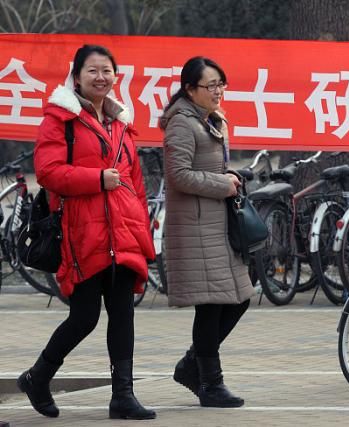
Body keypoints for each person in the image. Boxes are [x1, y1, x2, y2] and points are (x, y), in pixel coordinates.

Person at [17, 44, 156, 420]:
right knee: (85, 317)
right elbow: (47, 171)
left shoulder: (121, 123)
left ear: (116, 76)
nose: (101, 77)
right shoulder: (60, 119)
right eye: (92, 71)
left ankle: (122, 396)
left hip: (123, 231)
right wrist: (96, 179)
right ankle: (38, 376)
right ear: (76, 77)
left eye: (107, 70)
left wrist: (142, 226)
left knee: (123, 312)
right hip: (82, 232)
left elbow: (135, 183)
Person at [160, 56, 255, 408]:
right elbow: (178, 176)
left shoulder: (208, 120)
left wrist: (231, 177)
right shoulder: (182, 124)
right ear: (189, 89)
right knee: (211, 307)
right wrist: (222, 184)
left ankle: (191, 365)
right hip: (196, 228)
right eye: (210, 85)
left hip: (215, 226)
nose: (217, 91)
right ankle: (210, 384)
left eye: (221, 84)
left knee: (240, 298)